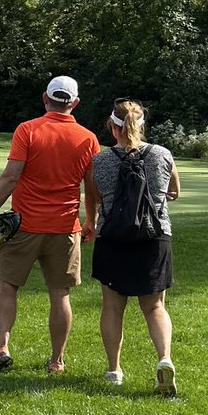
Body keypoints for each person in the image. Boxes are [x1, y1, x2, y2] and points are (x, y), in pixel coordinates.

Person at [0, 75, 100, 376]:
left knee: (8, 286)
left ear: (45, 97)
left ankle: (2, 346)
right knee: (60, 294)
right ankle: (57, 360)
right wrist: (91, 220)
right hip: (65, 227)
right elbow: (92, 186)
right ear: (76, 102)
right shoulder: (88, 138)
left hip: (25, 225)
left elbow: (11, 176)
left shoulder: (27, 130)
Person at [85, 99, 180, 394]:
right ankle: (164, 359)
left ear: (113, 128)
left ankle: (114, 370)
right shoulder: (162, 154)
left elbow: (96, 198)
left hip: (113, 237)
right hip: (154, 237)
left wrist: (91, 222)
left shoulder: (100, 160)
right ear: (142, 125)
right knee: (154, 307)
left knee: (113, 307)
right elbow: (174, 190)